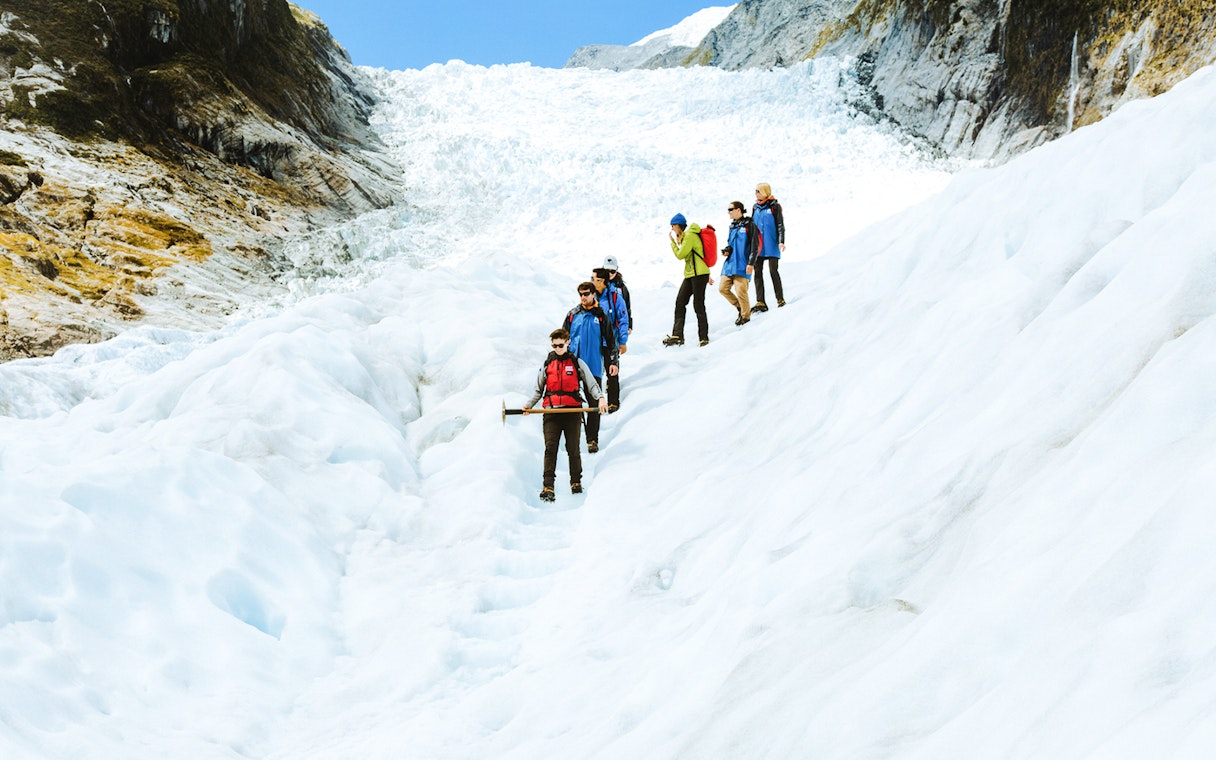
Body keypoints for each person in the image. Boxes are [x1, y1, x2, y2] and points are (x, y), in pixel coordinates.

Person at [523, 329, 608, 502]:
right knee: (550, 448)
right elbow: (538, 390)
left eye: (560, 345)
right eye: (554, 346)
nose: (557, 348)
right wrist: (528, 405)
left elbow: (591, 384)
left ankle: (575, 482)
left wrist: (600, 399)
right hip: (551, 412)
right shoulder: (547, 363)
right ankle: (548, 486)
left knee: (573, 449)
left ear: (567, 343)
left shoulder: (577, 363)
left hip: (572, 412)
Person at [562, 282, 618, 453]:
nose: (583, 297)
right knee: (570, 403)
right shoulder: (572, 315)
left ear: (594, 294)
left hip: (593, 366)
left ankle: (592, 439)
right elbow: (562, 340)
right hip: (573, 366)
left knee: (594, 403)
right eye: (580, 294)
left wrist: (613, 363)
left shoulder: (601, 317)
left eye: (586, 293)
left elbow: (610, 342)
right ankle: (571, 440)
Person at [663, 212, 711, 347]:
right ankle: (677, 335)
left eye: (673, 226)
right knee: (680, 302)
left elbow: (680, 254)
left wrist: (673, 243)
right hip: (690, 274)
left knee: (698, 305)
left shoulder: (689, 236)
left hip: (699, 275)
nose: (672, 229)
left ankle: (703, 337)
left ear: (679, 226)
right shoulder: (686, 237)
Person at [591, 267, 629, 413]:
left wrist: (623, 341)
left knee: (612, 371)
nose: (593, 282)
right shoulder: (591, 296)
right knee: (593, 372)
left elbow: (623, 319)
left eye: (596, 280)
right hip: (594, 341)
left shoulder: (615, 297)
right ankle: (595, 401)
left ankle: (613, 402)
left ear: (603, 281)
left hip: (610, 341)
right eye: (592, 278)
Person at [719, 200, 759, 325]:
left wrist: (751, 263)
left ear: (738, 210)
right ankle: (740, 307)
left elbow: (755, 246)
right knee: (722, 288)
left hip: (742, 264)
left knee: (741, 290)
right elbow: (731, 245)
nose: (728, 212)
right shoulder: (732, 227)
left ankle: (745, 318)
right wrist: (727, 250)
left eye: (731, 209)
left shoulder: (749, 225)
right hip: (730, 264)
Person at [751, 182, 786, 312]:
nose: (756, 193)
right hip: (759, 246)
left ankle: (780, 299)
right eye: (756, 191)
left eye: (758, 191)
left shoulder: (775, 206)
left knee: (773, 271)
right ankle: (760, 302)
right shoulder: (755, 207)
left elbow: (780, 225)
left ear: (765, 192)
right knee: (757, 273)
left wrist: (781, 241)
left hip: (771, 244)